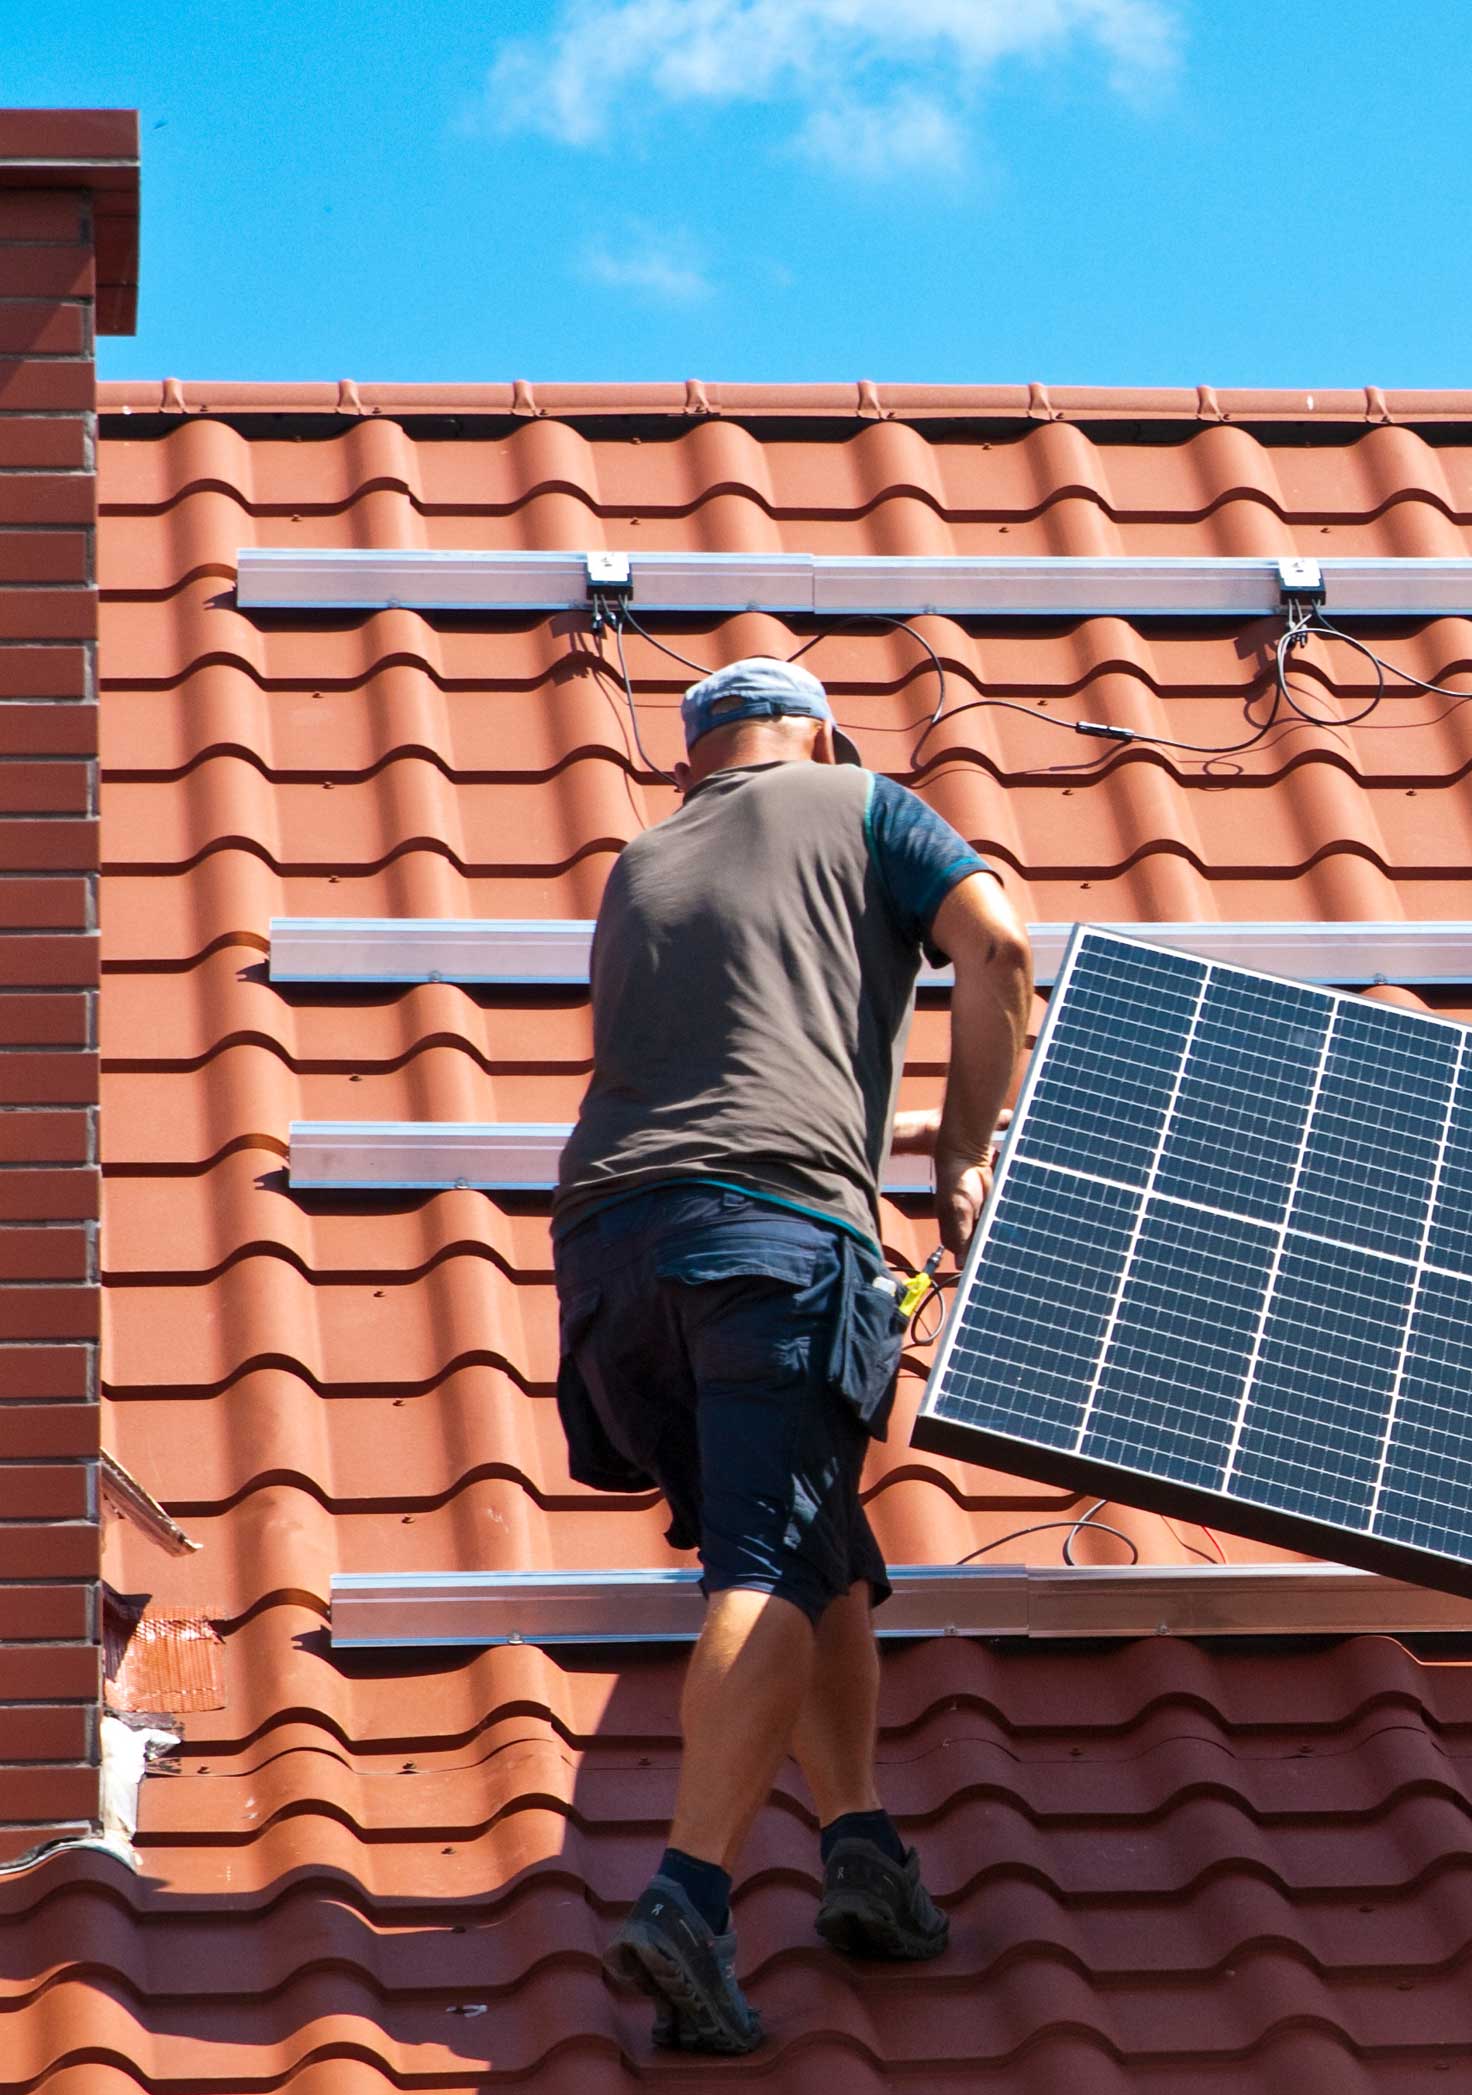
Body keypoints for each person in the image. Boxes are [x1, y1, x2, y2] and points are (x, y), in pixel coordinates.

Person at [553, 657, 1036, 2053]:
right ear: (819, 734)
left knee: (816, 1533)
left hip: (607, 1262)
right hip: (770, 1234)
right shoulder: (867, 801)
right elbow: (998, 948)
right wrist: (958, 1153)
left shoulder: (642, 856)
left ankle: (862, 1846)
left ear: (693, 761)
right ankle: (692, 1899)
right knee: (764, 1561)